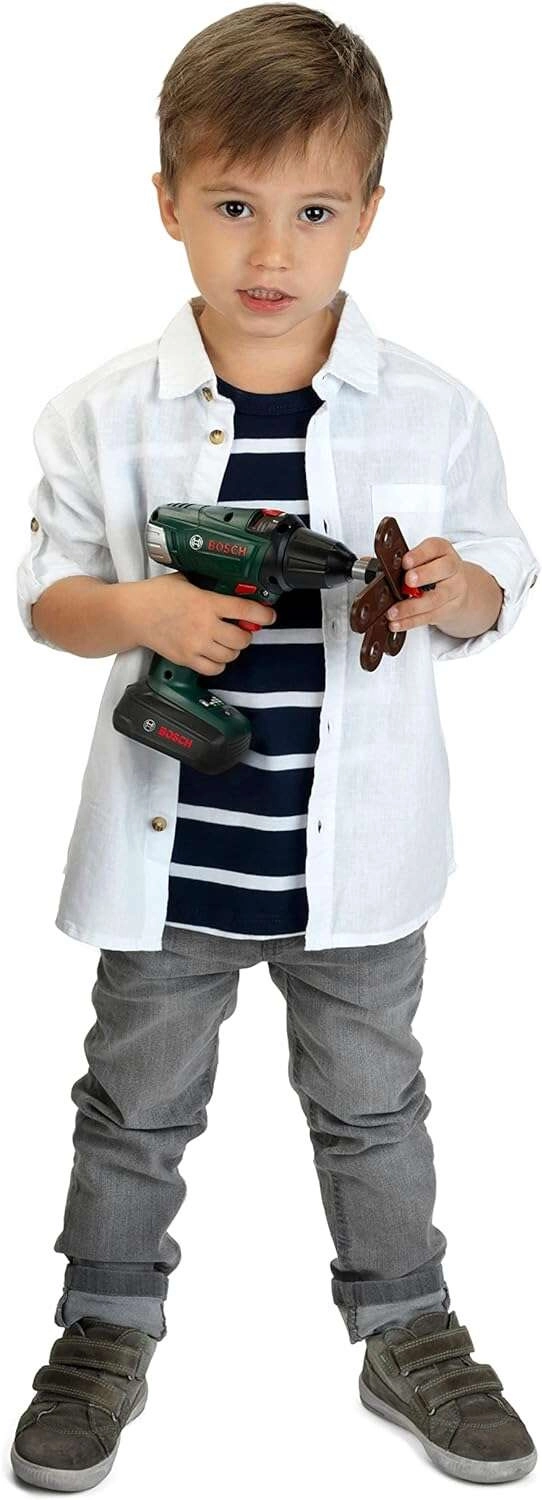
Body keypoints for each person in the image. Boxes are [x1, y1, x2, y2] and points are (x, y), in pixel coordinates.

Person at [11, 4, 539, 1490]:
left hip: (357, 868)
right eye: (233, 205)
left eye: (313, 212)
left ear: (367, 214)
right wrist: (145, 610)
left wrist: (452, 588)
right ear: (166, 200)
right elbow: (50, 600)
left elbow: (503, 574)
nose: (270, 251)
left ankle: (406, 1326)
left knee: (374, 1110)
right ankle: (103, 1327)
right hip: (175, 864)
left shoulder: (432, 410)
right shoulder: (98, 413)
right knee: (133, 1113)